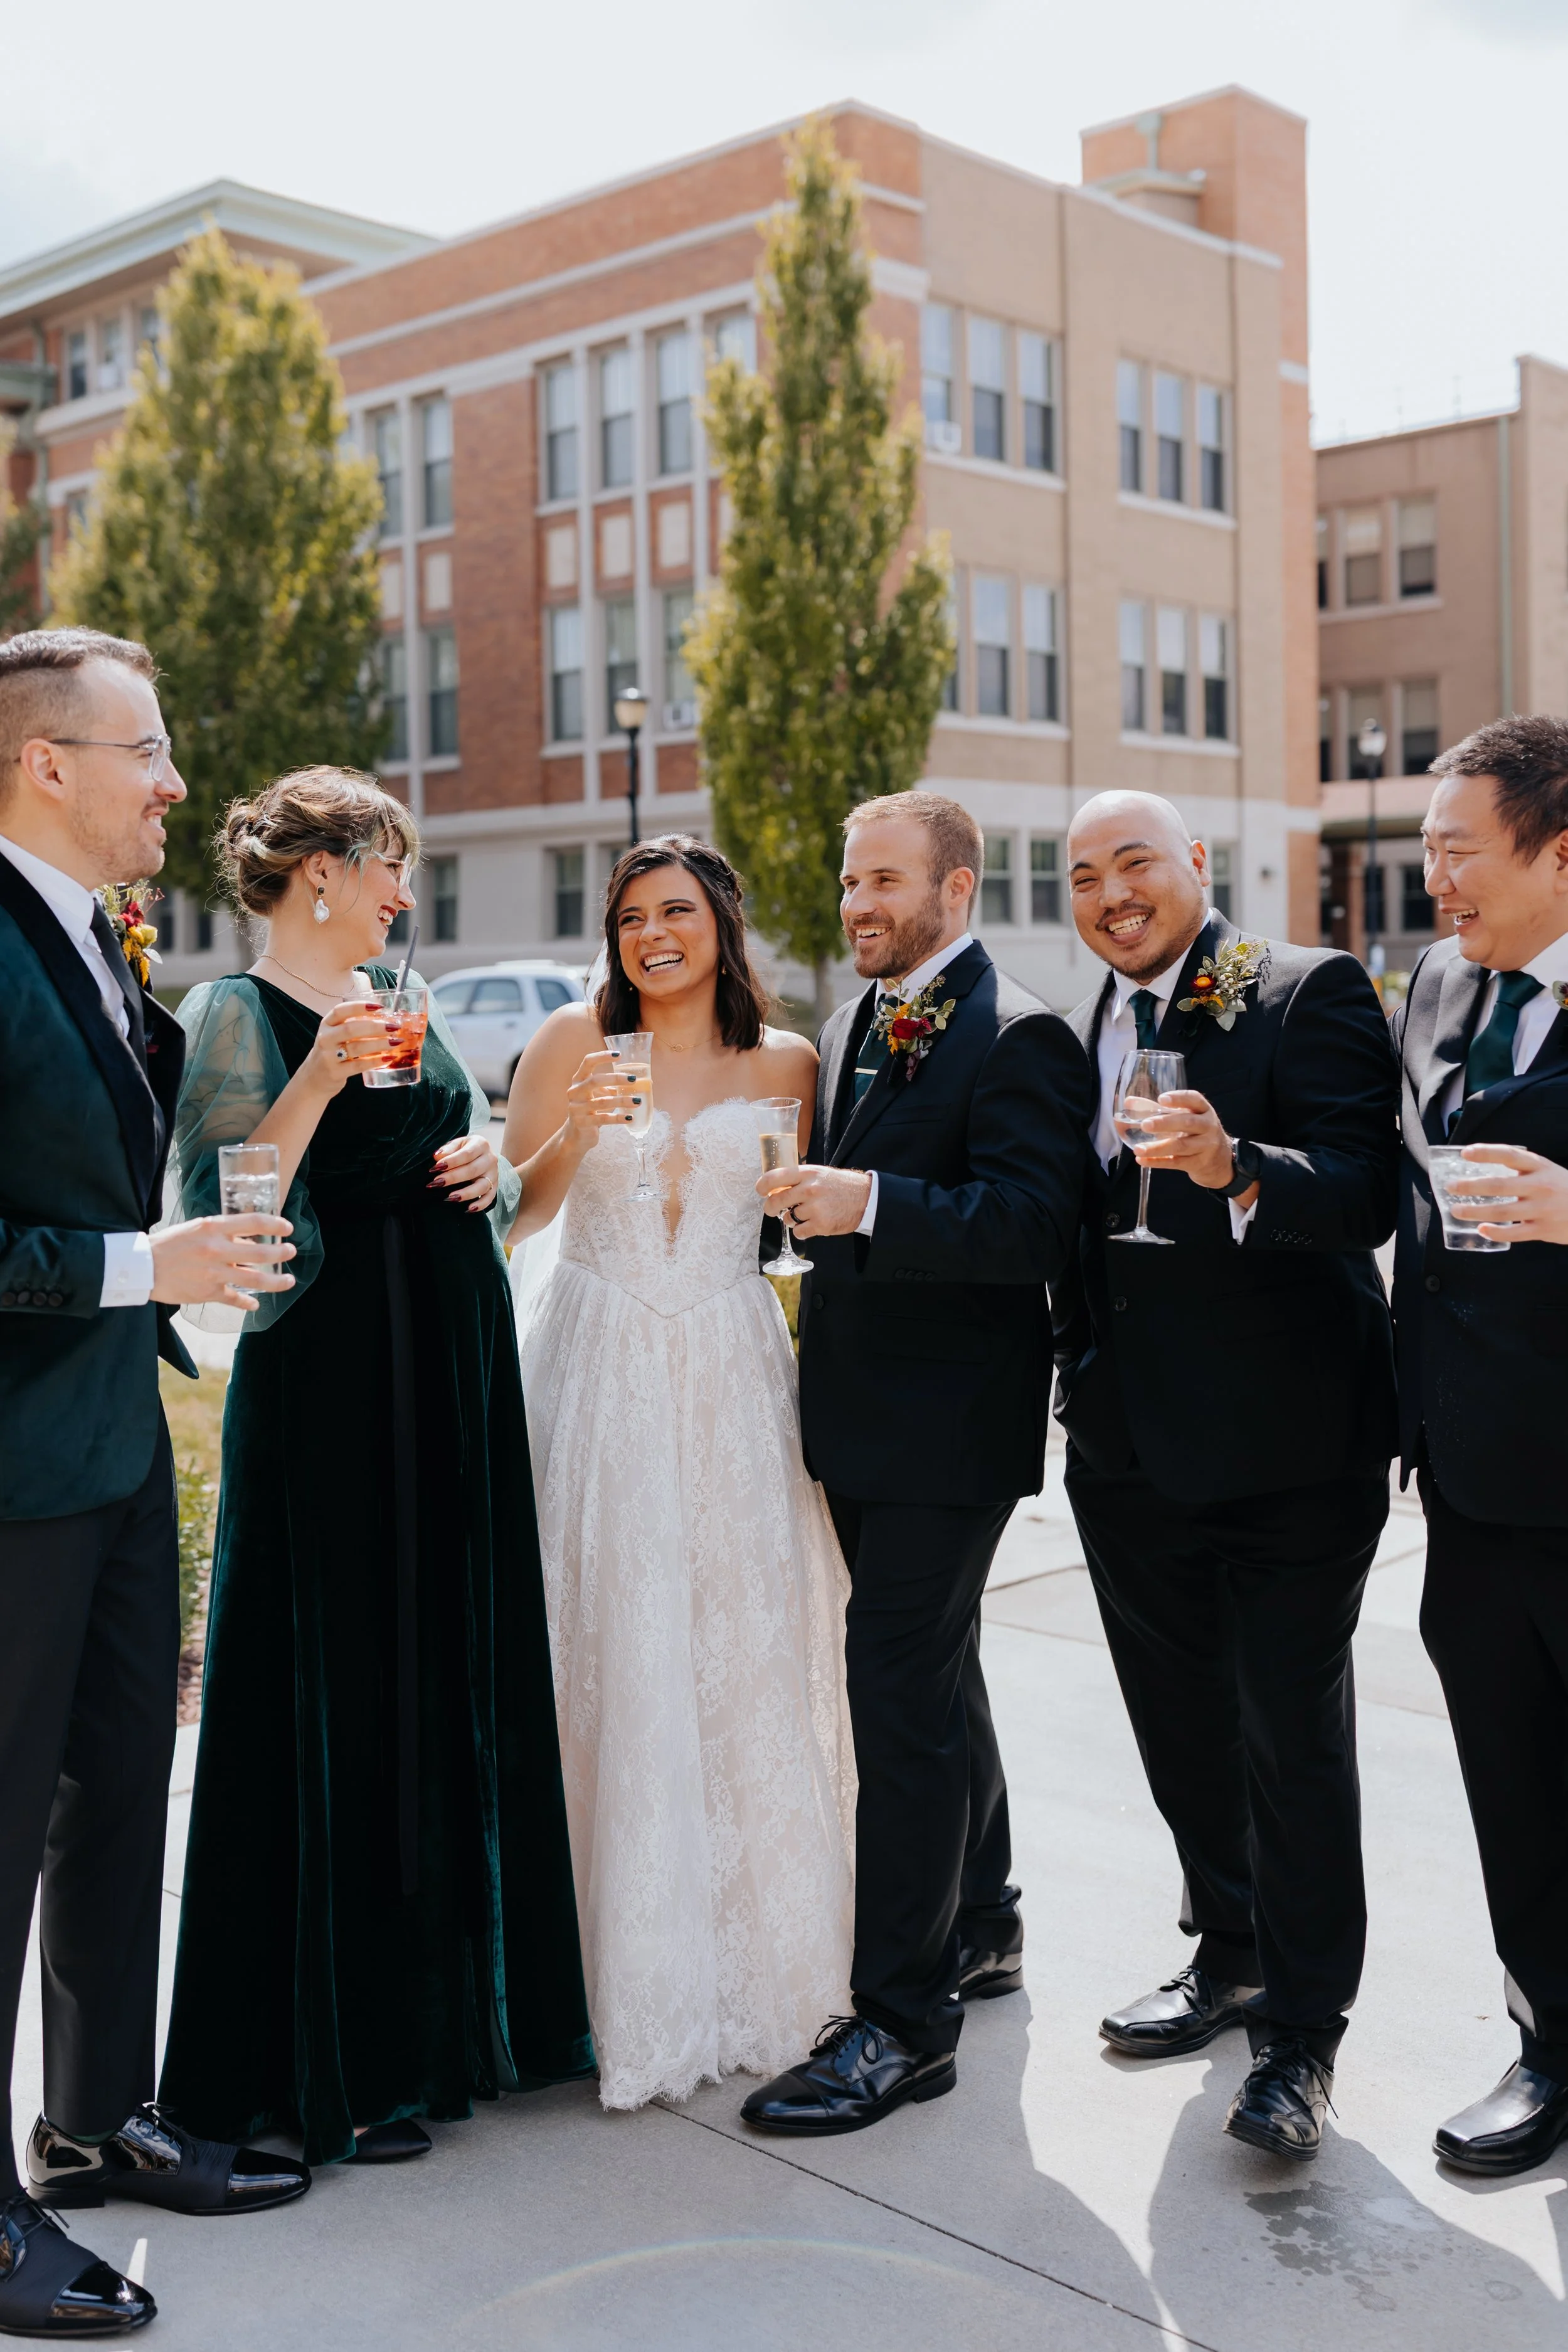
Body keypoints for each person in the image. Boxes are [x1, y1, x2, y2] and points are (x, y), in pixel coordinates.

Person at [156, 768, 593, 2169]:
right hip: (331, 1389)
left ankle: (441, 2034)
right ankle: (327, 2059)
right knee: (334, 1695)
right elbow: (224, 1210)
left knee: (434, 1687)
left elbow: (490, 1186)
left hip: (447, 1384)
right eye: (389, 867)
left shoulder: (411, 1004)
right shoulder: (236, 1013)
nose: (406, 897)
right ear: (321, 871)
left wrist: (491, 1167)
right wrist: (320, 1074)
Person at [0, 630, 307, 2342]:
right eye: (149, 749)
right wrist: (144, 1262)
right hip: (13, 1473)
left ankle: (94, 2116)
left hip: (115, 1446)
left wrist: (163, 1271)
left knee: (120, 1793)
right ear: (47, 762)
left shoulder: (98, 940)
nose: (177, 782)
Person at [1054, 790, 1399, 2163]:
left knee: (1288, 1736)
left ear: (1196, 864)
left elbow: (1365, 1189)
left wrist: (1234, 1163)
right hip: (1127, 1448)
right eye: (1083, 874)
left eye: (1134, 861)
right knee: (1179, 1724)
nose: (1110, 892)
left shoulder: (1303, 991)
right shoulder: (1081, 1023)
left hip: (1289, 1452)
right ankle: (1227, 1949)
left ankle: (1302, 2037)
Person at [739, 792, 1089, 2137]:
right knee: (938, 1673)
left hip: (951, 1434)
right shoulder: (851, 1022)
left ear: (956, 890)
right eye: (846, 882)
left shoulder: (1022, 1036)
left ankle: (901, 2022)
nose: (856, 905)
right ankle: (984, 1922)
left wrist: (867, 1202)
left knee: (892, 1691)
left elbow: (1025, 1231)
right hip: (855, 1420)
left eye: (882, 881)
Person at [504, 836, 854, 2111]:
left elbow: (798, 1216)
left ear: (722, 921)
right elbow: (517, 1210)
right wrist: (563, 1140)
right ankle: (589, 1979)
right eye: (632, 916)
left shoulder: (789, 1063)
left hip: (726, 1363)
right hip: (593, 1362)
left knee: (738, 1644)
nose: (654, 933)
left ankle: (760, 1969)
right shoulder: (563, 1044)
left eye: (676, 911)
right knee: (598, 1640)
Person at [1391, 717, 1568, 2178]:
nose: (1431, 878)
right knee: (1510, 1782)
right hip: (1470, 1478)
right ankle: (1549, 2043)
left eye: (1457, 849)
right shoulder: (1440, 981)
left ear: (1557, 850)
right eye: (1425, 847)